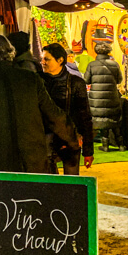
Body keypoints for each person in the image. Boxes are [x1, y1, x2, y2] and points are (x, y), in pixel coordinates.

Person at [0, 35, 76, 173]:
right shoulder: (31, 79)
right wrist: (73, 139)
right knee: (33, 195)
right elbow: (54, 116)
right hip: (34, 163)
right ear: (11, 53)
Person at [40, 43, 94, 175]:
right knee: (50, 183)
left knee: (71, 182)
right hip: (45, 138)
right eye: (42, 59)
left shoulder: (75, 82)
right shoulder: (38, 81)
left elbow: (84, 115)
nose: (42, 62)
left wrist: (88, 150)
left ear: (60, 60)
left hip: (69, 138)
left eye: (47, 59)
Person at [84, 42, 124, 150]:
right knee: (114, 120)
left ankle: (105, 145)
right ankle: (120, 145)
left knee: (102, 120)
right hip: (112, 96)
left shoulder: (91, 65)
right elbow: (119, 80)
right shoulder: (114, 64)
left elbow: (86, 81)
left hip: (97, 99)